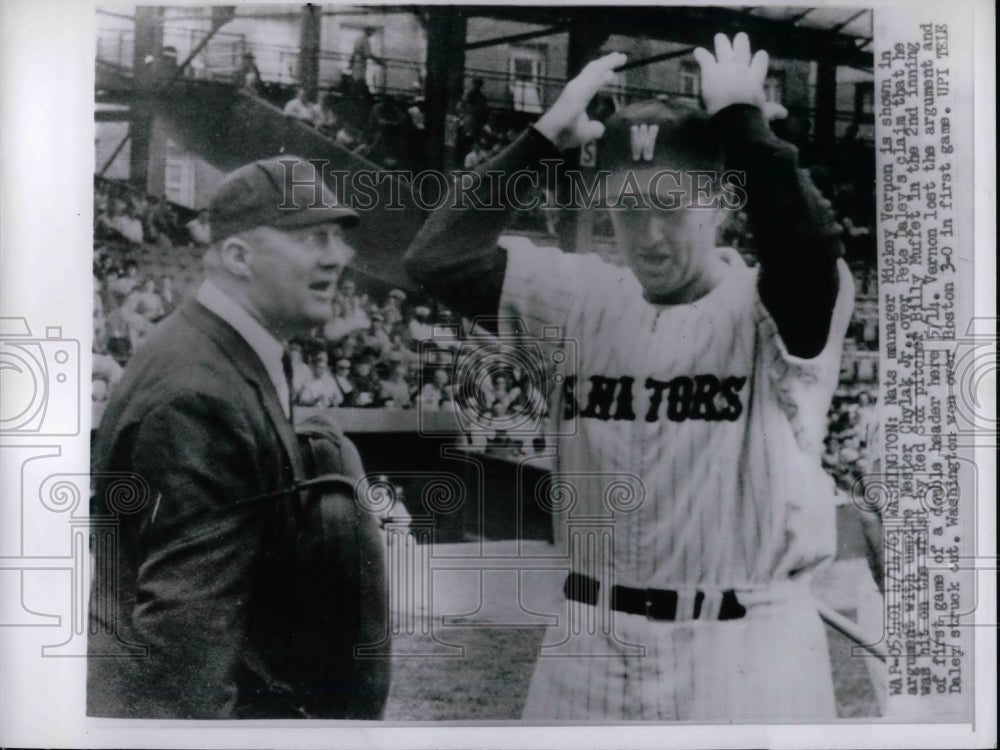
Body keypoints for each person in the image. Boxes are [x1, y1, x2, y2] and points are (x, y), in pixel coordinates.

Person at [404, 34, 854, 720]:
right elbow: (435, 256)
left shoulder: (773, 308)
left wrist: (743, 119)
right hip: (588, 643)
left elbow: (809, 249)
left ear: (720, 205)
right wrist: (541, 140)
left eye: (670, 207)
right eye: (628, 207)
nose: (648, 235)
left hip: (743, 645)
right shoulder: (578, 298)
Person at [88, 156, 389, 719]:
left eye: (339, 238)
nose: (340, 256)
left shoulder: (224, 353)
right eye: (313, 237)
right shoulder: (199, 395)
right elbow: (185, 656)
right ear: (237, 256)